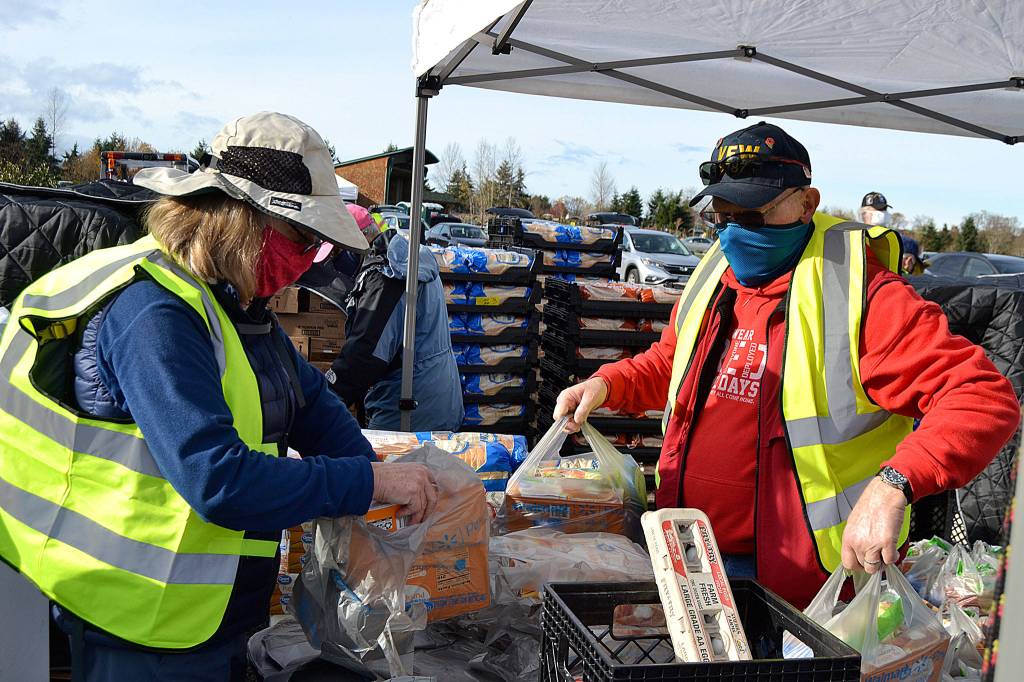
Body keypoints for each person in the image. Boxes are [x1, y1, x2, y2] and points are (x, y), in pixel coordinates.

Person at [0, 112, 438, 681]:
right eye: (302, 238)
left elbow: (308, 403)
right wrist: (370, 483)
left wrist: (369, 474)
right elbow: (218, 479)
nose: (308, 261)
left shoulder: (233, 303)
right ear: (241, 219)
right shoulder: (154, 312)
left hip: (206, 614)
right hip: (139, 618)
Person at [554, 122, 1019, 609]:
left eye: (752, 215)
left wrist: (894, 485)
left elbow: (982, 398)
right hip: (693, 552)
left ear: (807, 202)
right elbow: (674, 363)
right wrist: (606, 383)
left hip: (807, 586)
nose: (734, 231)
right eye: (722, 216)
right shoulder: (719, 271)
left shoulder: (864, 295)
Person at [325, 206, 464, 431]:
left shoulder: (386, 276)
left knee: (388, 464)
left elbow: (365, 353)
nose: (334, 264)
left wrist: (327, 392)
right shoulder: (407, 260)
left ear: (356, 241)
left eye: (336, 254)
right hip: (434, 395)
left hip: (407, 408)